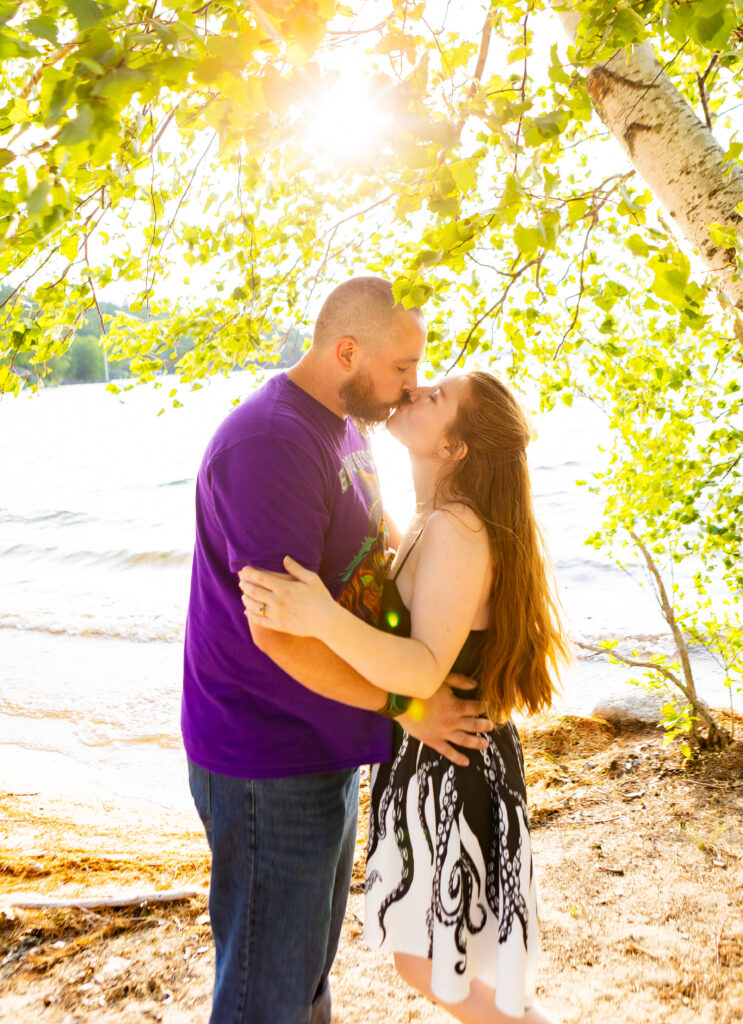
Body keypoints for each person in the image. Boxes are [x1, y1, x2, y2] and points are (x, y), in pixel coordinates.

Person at [181, 276, 494, 1024]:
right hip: (266, 752)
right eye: (402, 368)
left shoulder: (344, 422)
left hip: (324, 736)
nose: (410, 387)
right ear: (346, 351)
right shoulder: (271, 442)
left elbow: (369, 543)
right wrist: (407, 704)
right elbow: (279, 632)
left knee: (303, 980)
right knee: (268, 995)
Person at [239, 370, 572, 1024]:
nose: (415, 390)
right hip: (433, 756)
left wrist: (319, 620)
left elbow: (420, 670)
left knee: (431, 965)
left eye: (435, 397)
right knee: (447, 962)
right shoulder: (429, 519)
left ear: (453, 449)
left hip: (455, 763)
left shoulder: (457, 528)